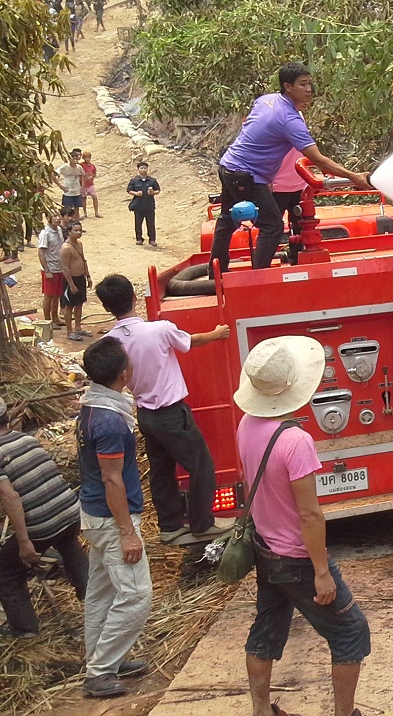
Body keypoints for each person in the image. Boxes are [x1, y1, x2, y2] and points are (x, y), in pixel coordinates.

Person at [235, 337, 369, 716]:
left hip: (266, 550)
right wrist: (322, 572)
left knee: (266, 630)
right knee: (350, 632)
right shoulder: (296, 441)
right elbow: (309, 514)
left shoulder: (246, 425)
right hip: (296, 559)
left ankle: (262, 711)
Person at [97, 275, 231, 544]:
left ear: (105, 307)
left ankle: (169, 525)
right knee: (201, 464)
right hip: (170, 412)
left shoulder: (110, 343)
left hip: (145, 414)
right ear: (134, 298)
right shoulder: (159, 330)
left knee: (161, 471)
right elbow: (190, 341)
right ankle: (202, 523)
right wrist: (217, 334)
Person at [209, 63, 371, 273]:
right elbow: (318, 160)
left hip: (229, 165)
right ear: (287, 86)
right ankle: (258, 279)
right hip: (246, 175)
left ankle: (216, 272)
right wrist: (354, 177)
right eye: (303, 85)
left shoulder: (266, 100)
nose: (309, 90)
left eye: (310, 84)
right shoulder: (290, 120)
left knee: (227, 219)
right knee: (272, 225)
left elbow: (255, 133)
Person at [78, 336, 151, 698]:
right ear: (124, 373)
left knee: (103, 593)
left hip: (94, 514)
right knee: (137, 594)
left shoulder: (93, 405)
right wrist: (127, 532)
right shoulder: (109, 421)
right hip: (111, 520)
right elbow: (112, 478)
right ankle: (101, 670)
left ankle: (107, 657)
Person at [0, 396, 89, 639]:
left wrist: (24, 541)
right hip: (70, 511)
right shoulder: (28, 439)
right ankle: (94, 599)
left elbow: (10, 497)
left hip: (41, 523)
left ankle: (24, 628)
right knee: (69, 545)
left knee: (5, 571)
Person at [37, 209, 74, 329]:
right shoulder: (45, 233)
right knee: (48, 295)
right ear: (48, 219)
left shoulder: (58, 230)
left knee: (57, 295)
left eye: (58, 216)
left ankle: (55, 318)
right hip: (50, 269)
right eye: (54, 216)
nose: (58, 218)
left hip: (59, 268)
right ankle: (48, 321)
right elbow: (41, 253)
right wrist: (47, 270)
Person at [60, 220, 92, 340]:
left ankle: (78, 327)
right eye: (76, 230)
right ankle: (69, 331)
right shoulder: (66, 248)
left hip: (81, 278)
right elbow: (65, 267)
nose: (79, 233)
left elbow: (83, 260)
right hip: (71, 280)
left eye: (80, 230)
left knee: (79, 304)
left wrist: (88, 276)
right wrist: (71, 284)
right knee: (69, 306)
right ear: (69, 232)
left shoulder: (79, 244)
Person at [126, 161, 159, 246]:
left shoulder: (152, 180)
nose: (143, 170)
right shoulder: (134, 180)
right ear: (138, 169)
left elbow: (158, 190)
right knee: (138, 223)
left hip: (149, 205)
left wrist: (153, 193)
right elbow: (129, 190)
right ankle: (139, 238)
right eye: (141, 168)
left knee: (151, 223)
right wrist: (136, 193)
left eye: (145, 168)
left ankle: (152, 239)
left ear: (147, 169)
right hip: (138, 206)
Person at [55, 149, 85, 216]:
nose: (74, 161)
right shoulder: (65, 167)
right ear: (69, 159)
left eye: (76, 159)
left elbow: (84, 175)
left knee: (77, 210)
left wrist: (82, 186)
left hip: (77, 192)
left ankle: (76, 223)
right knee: (67, 211)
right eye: (73, 159)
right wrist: (61, 186)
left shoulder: (79, 167)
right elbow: (53, 174)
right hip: (68, 193)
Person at [81, 151, 100, 218]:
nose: (87, 159)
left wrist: (92, 176)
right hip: (83, 184)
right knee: (84, 198)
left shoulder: (92, 166)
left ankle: (96, 212)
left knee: (94, 197)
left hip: (90, 184)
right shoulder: (81, 165)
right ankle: (85, 213)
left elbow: (94, 173)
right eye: (86, 157)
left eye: (88, 157)